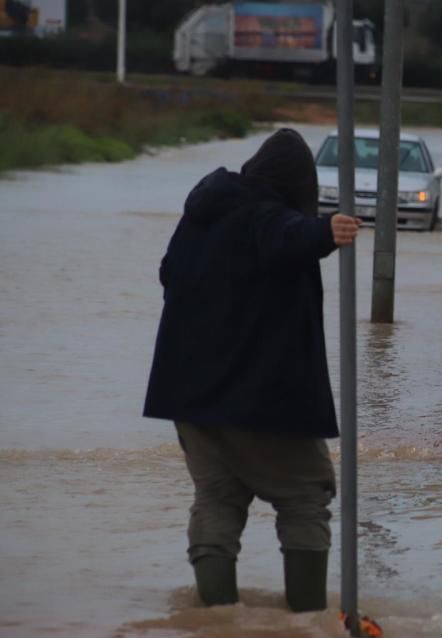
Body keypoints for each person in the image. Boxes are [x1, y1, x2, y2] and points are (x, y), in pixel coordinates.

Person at [143, 128, 361, 612]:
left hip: (192, 398)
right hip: (264, 397)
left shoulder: (201, 216)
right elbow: (283, 236)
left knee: (218, 497)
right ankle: (305, 625)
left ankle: (218, 623)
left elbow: (168, 273)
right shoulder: (264, 217)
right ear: (296, 186)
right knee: (307, 494)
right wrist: (325, 232)